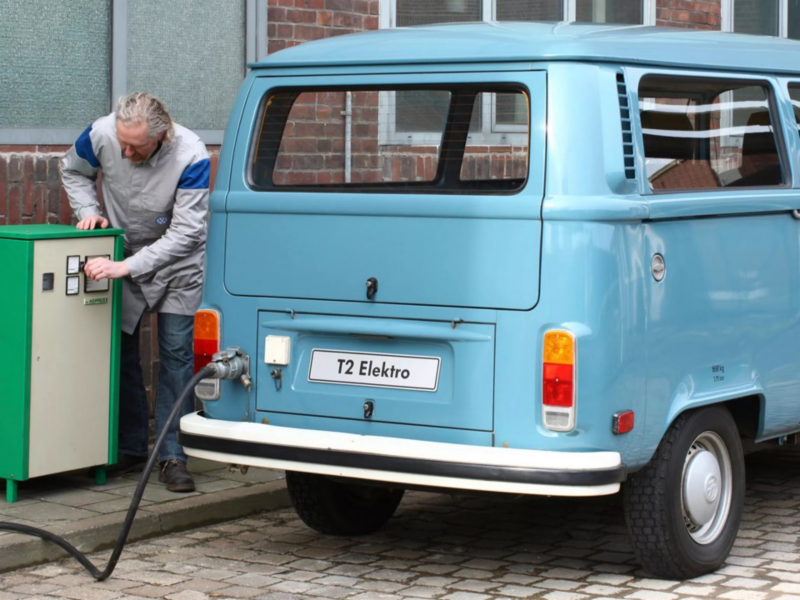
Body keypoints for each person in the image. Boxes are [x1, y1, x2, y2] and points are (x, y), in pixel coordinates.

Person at [61, 92, 209, 493]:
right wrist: (87, 210)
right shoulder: (100, 134)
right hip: (124, 251)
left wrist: (126, 267)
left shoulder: (192, 155)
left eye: (136, 147)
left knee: (176, 356)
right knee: (123, 351)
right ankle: (130, 447)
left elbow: (188, 231)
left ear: (160, 137)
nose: (125, 152)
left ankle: (172, 456)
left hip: (177, 263)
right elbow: (73, 171)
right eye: (122, 142)